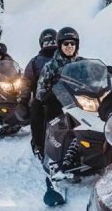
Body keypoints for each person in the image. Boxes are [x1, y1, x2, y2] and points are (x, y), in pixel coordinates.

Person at [35, 27, 84, 156]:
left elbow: (93, 76)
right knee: (41, 109)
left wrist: (105, 71)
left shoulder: (82, 62)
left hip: (80, 99)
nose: (69, 46)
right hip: (58, 101)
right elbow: (40, 88)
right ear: (60, 45)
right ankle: (45, 146)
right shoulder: (51, 65)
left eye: (72, 44)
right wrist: (47, 94)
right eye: (66, 44)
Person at [16, 28, 58, 159]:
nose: (50, 44)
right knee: (37, 113)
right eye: (47, 42)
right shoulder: (34, 62)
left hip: (67, 95)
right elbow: (26, 81)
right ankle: (39, 144)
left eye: (52, 41)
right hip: (43, 97)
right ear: (41, 44)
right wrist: (23, 99)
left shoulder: (65, 57)